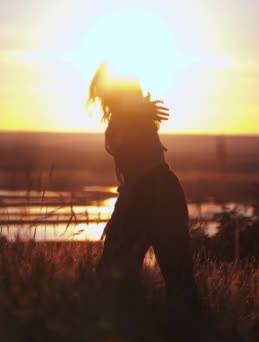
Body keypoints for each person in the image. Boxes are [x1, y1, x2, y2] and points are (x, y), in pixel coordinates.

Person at [87, 63, 203, 334]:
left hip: (152, 193)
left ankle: (181, 330)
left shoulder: (131, 117)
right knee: (124, 274)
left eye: (105, 89)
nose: (101, 94)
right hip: (152, 193)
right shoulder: (127, 116)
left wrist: (138, 110)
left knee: (175, 277)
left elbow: (138, 166)